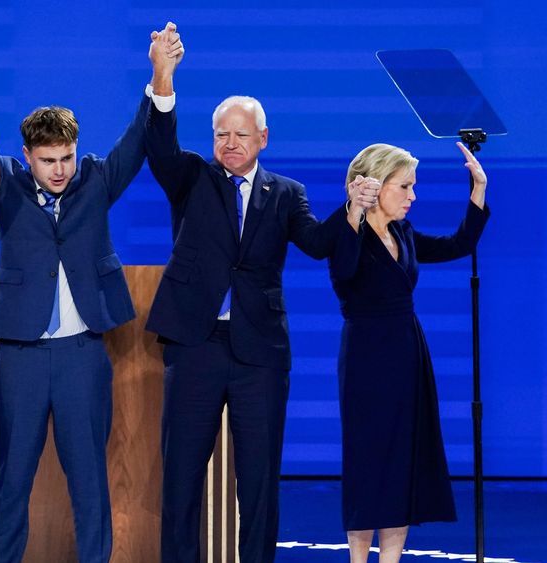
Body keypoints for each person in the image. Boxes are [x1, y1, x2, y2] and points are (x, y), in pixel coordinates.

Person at [0, 31, 181, 563]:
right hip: (21, 356)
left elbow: (138, 140)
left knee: (90, 481)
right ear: (27, 155)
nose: (59, 170)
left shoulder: (95, 179)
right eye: (48, 159)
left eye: (66, 157)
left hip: (82, 355)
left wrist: (160, 75)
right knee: (10, 482)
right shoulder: (3, 180)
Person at [144, 23, 371, 563]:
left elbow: (317, 243)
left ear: (263, 139)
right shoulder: (191, 177)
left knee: (260, 481)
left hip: (259, 354)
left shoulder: (286, 193)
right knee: (181, 477)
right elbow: (159, 146)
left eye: (241, 134)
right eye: (222, 133)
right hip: (195, 345)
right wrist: (163, 76)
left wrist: (353, 211)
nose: (230, 143)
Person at [330, 142, 489, 563]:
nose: (412, 196)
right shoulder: (346, 233)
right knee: (368, 464)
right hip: (366, 359)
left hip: (407, 354)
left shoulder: (403, 233)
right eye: (404, 186)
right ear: (375, 185)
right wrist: (353, 211)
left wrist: (478, 189)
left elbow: (457, 244)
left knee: (402, 463)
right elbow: (343, 271)